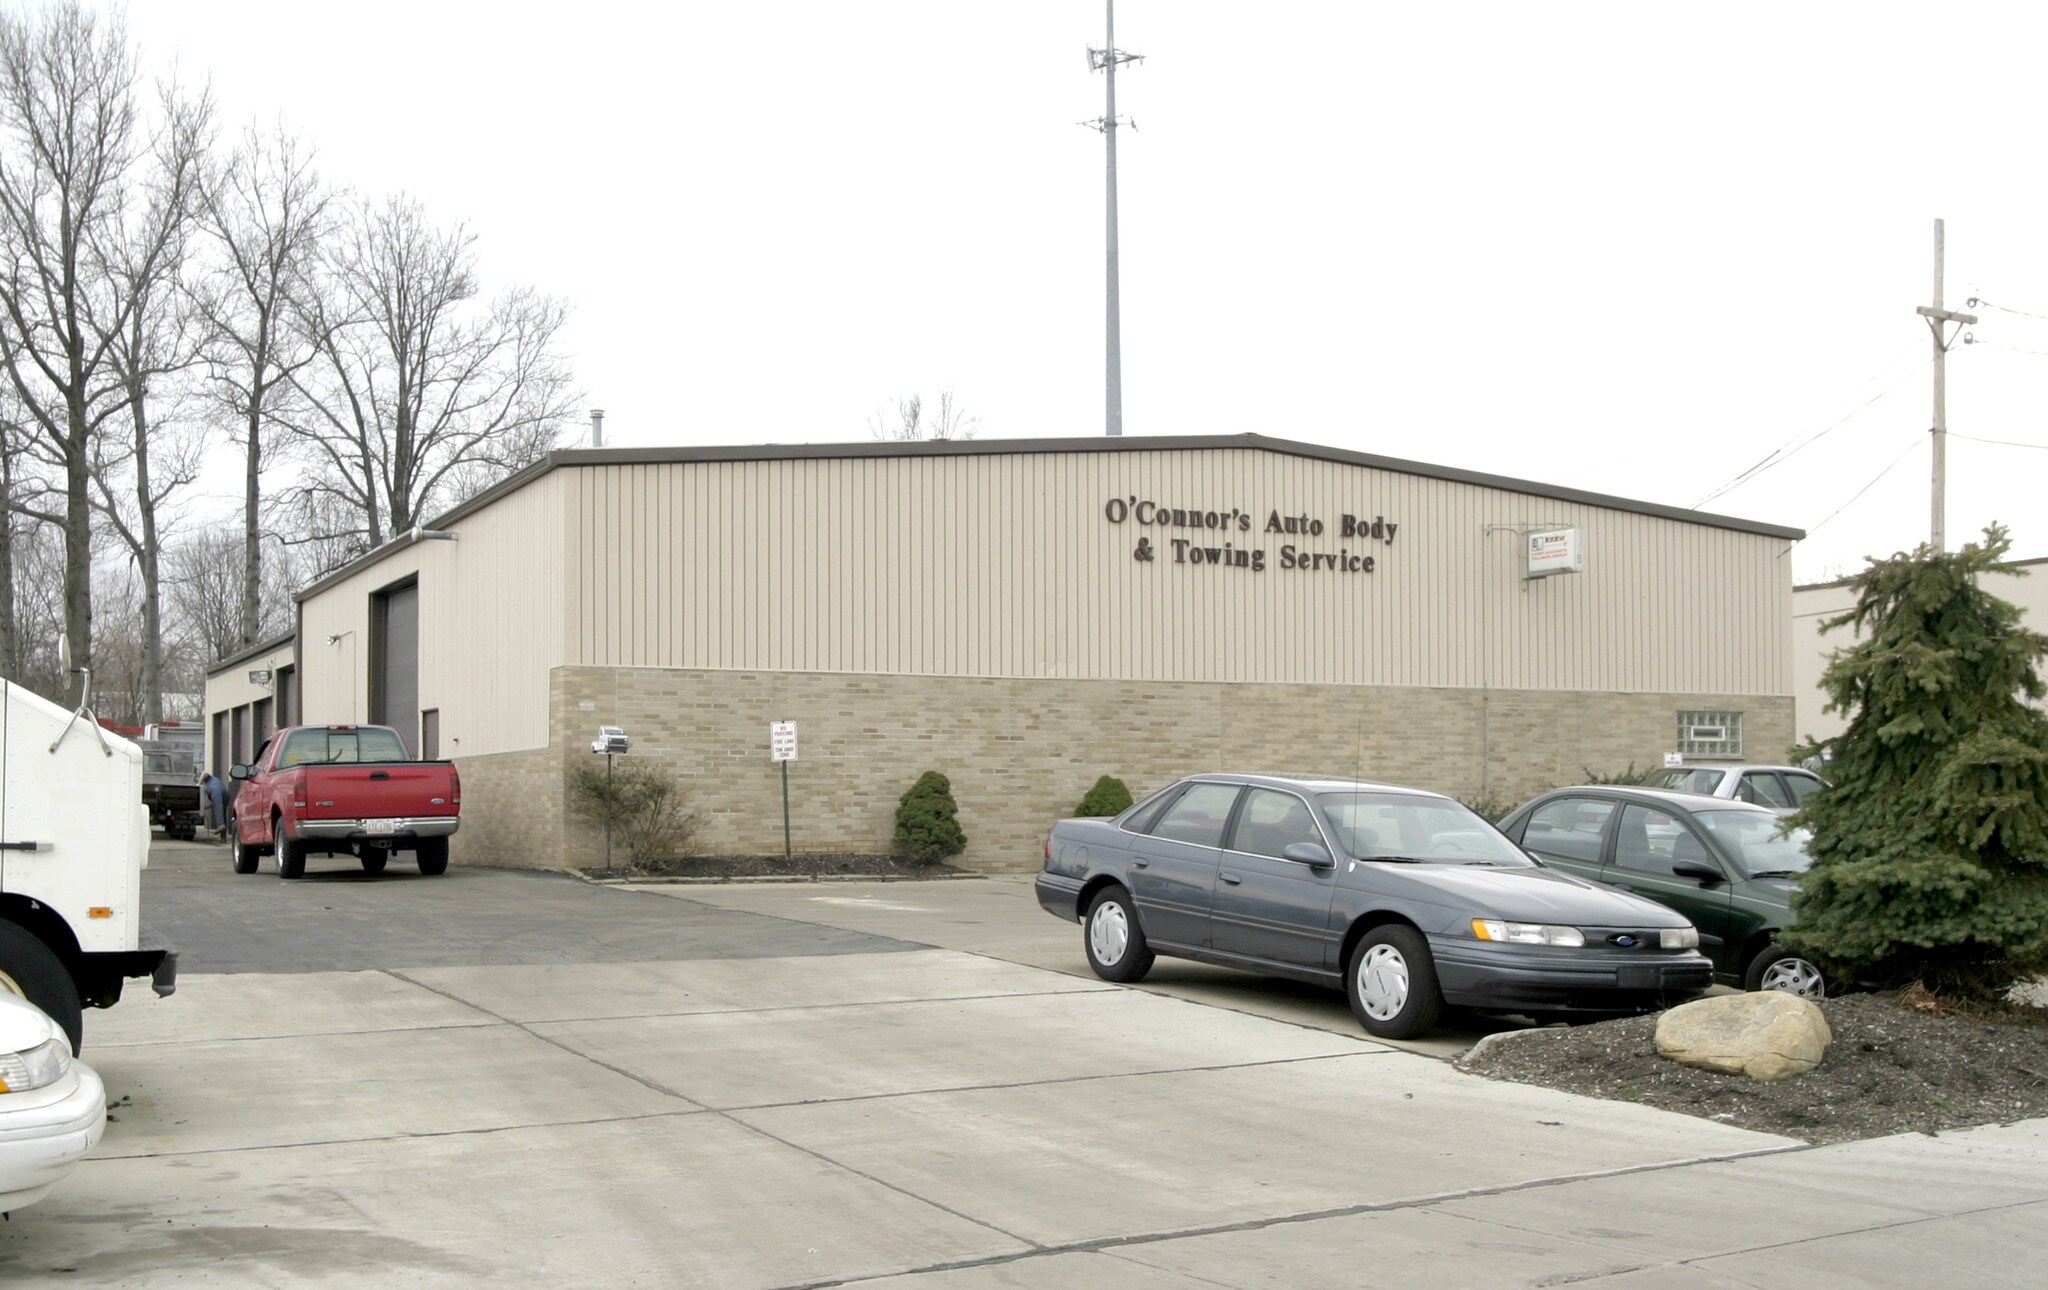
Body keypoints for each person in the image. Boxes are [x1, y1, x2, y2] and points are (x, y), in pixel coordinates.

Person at [202, 771, 231, 843]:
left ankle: (220, 824)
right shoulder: (215, 780)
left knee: (219, 811)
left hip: (216, 792)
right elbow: (216, 804)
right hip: (225, 794)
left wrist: (199, 783)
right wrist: (207, 807)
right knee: (223, 814)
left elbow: (216, 802)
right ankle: (223, 838)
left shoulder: (208, 785)